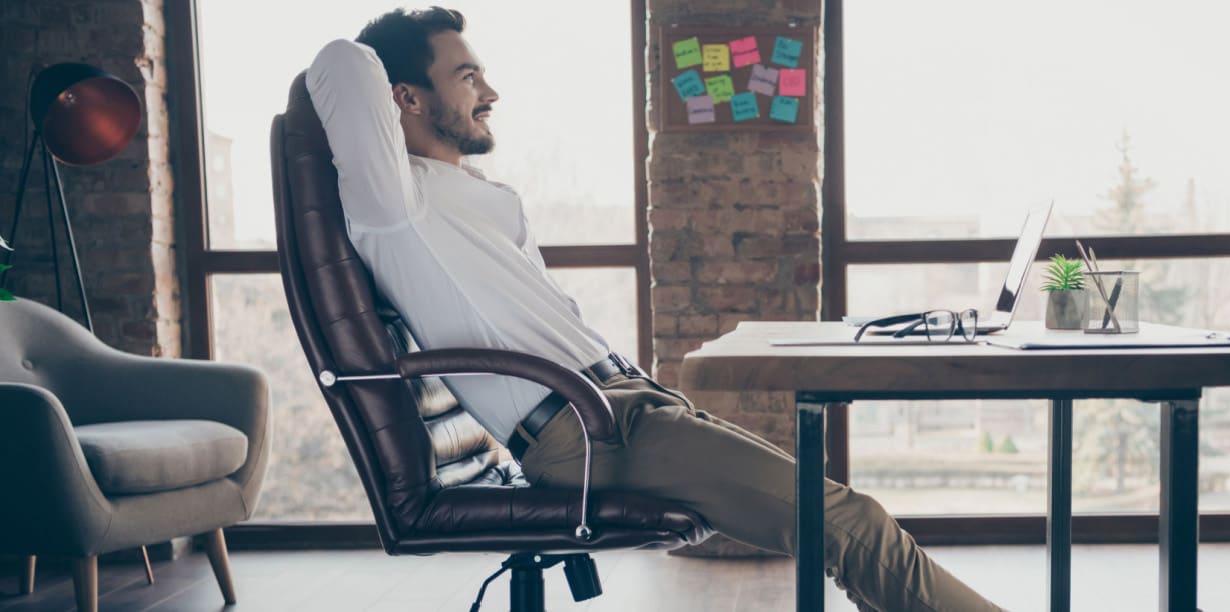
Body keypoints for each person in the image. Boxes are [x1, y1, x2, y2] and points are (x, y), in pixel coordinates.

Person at [307, 7, 1005, 611]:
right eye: (466, 76)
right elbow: (340, 63)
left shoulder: (473, 198)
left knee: (839, 529)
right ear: (405, 98)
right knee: (852, 524)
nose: (490, 91)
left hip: (626, 405)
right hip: (587, 433)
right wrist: (386, 45)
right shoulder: (395, 208)